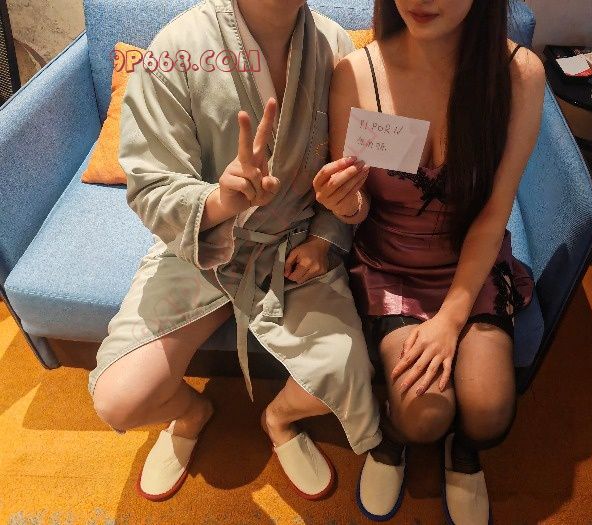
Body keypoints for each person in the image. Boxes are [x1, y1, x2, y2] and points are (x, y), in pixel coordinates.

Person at [88, 0, 381, 502]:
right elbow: (150, 186)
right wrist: (221, 200)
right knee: (120, 398)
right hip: (199, 249)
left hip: (291, 248)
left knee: (347, 374)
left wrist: (326, 235)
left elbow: (351, 170)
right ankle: (191, 412)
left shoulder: (335, 47)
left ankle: (279, 417)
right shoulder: (176, 50)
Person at [313, 0, 545, 522]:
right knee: (423, 415)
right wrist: (343, 204)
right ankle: (392, 437)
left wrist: (450, 321)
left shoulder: (517, 75)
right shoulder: (357, 72)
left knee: (489, 413)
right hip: (390, 266)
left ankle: (463, 450)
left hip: (471, 262)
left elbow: (494, 212)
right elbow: (358, 206)